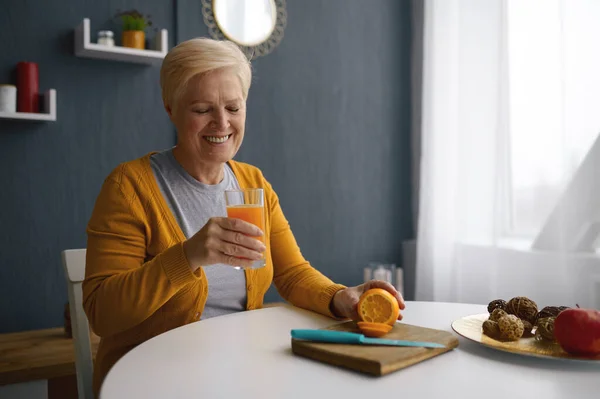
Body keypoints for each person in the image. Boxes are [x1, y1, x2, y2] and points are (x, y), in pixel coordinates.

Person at [82, 38, 405, 396]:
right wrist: (186, 256)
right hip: (151, 380)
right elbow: (102, 313)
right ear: (170, 107)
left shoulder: (253, 183)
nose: (221, 123)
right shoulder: (129, 187)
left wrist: (340, 296)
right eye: (202, 109)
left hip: (237, 371)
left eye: (233, 108)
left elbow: (292, 273)